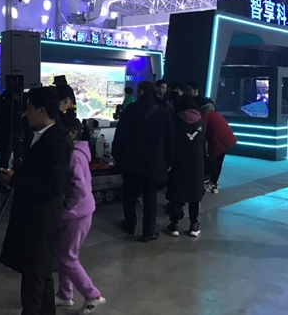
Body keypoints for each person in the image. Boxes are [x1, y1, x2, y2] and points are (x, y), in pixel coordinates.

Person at [0, 87, 73, 315]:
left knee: (33, 279)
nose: (26, 114)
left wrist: (15, 179)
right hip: (33, 214)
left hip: (41, 218)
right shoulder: (42, 134)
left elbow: (53, 187)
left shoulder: (56, 142)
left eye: (29, 109)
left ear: (41, 110)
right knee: (41, 273)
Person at [54, 113, 106, 314]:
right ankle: (65, 294)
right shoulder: (76, 152)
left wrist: (67, 206)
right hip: (78, 213)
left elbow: (79, 189)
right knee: (64, 255)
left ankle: (92, 296)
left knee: (67, 257)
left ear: (73, 133)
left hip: (76, 215)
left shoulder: (73, 156)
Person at [112, 80, 174, 242]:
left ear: (139, 92)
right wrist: (168, 161)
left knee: (130, 194)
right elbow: (169, 140)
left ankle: (130, 224)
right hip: (153, 162)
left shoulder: (130, 109)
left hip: (130, 160)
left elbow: (120, 134)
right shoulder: (163, 112)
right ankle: (148, 232)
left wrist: (116, 155)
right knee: (150, 196)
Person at [166, 95, 206, 238]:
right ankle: (194, 225)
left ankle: (174, 225)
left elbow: (170, 144)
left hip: (179, 163)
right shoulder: (202, 123)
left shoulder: (174, 121)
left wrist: (168, 162)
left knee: (177, 194)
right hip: (197, 163)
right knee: (195, 195)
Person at [0, 85, 28, 192]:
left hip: (20, 131)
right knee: (4, 158)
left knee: (19, 159)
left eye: (18, 94)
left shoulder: (25, 99)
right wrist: (17, 115)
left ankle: (16, 182)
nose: (17, 97)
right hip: (7, 132)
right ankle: (2, 183)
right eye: (15, 94)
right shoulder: (3, 99)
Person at [199, 99, 237, 194]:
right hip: (226, 140)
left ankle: (212, 183)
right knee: (218, 162)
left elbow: (201, 130)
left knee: (214, 162)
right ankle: (214, 182)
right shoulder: (215, 115)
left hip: (218, 142)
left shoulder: (206, 116)